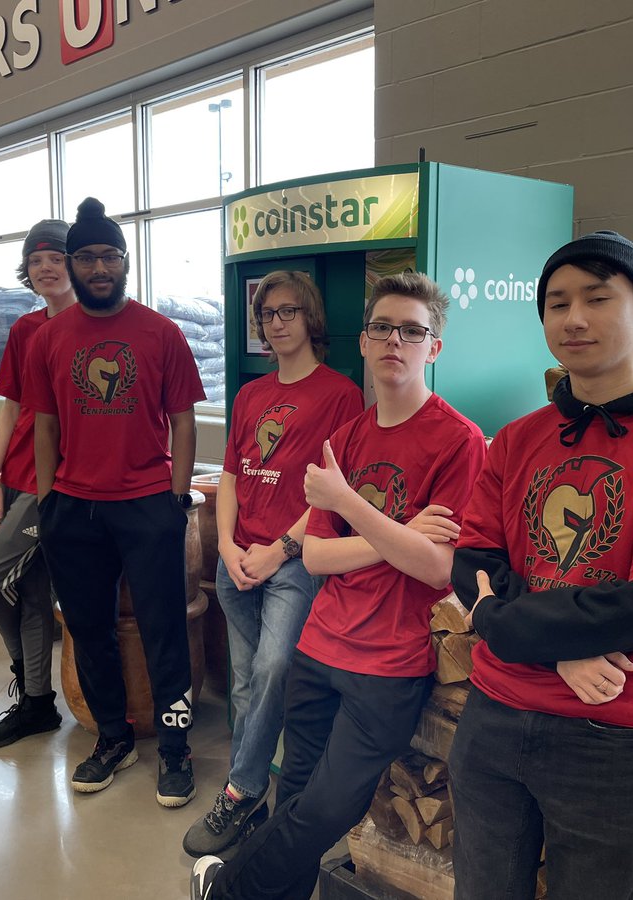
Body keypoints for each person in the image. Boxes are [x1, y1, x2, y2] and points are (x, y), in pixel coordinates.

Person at [446, 231, 633, 899]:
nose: (573, 318)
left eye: (598, 297)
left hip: (615, 732)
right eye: (556, 302)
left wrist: (498, 618)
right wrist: (557, 652)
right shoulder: (518, 439)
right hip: (493, 715)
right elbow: (472, 561)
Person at [191, 272, 487, 900]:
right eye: (382, 327)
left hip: (389, 662)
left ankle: (227, 890)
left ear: (434, 347)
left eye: (412, 331)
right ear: (362, 340)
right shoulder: (347, 438)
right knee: (296, 795)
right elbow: (318, 556)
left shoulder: (458, 440)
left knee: (326, 810)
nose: (394, 342)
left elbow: (439, 568)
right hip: (319, 648)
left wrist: (350, 503)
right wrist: (402, 532)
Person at [23, 196, 205, 808]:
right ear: (70, 264)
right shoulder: (49, 338)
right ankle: (113, 738)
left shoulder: (162, 332)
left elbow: (184, 421)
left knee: (164, 631)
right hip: (73, 508)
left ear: (125, 261)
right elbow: (43, 426)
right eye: (86, 257)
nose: (98, 268)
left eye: (108, 256)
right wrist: (49, 501)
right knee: (89, 629)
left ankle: (175, 749)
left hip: (148, 501)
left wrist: (176, 496)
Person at [181, 271, 363, 859]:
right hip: (240, 560)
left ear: (311, 318)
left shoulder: (340, 394)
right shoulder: (250, 395)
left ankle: (242, 788)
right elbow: (232, 476)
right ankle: (255, 791)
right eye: (268, 314)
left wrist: (277, 550)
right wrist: (228, 547)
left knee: (274, 667)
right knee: (242, 679)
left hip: (293, 561)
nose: (277, 322)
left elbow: (337, 492)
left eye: (288, 311)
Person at [0, 220, 75, 748]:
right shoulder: (28, 330)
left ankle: (30, 688)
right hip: (17, 477)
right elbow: (10, 406)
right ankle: (37, 703)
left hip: (56, 484)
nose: (46, 268)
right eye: (36, 261)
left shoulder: (93, 325)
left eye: (55, 257)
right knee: (31, 595)